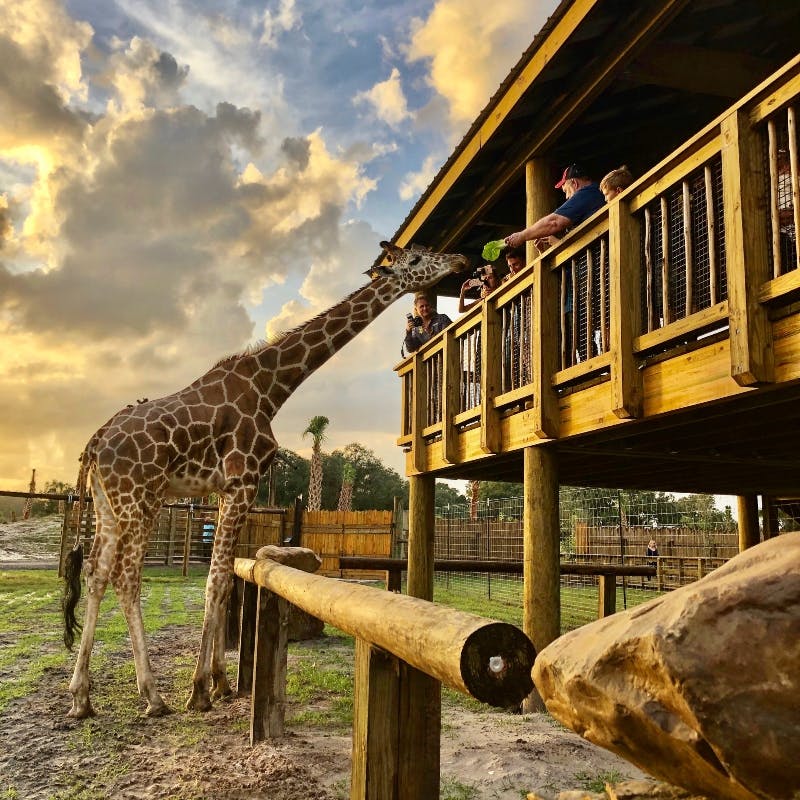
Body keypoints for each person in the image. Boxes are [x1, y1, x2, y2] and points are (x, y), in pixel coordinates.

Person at [504, 163, 605, 252]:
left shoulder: (586, 193)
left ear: (574, 183)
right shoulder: (595, 192)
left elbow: (554, 222)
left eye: (566, 191)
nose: (567, 197)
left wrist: (522, 236)